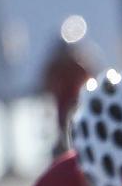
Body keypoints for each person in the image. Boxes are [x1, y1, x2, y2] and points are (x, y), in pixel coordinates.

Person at [40, 16, 99, 160]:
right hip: (63, 107)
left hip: (78, 104)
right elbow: (46, 84)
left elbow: (93, 80)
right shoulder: (56, 66)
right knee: (63, 129)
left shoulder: (80, 64)